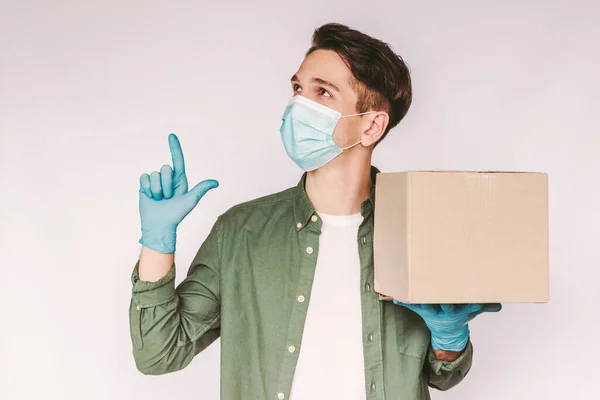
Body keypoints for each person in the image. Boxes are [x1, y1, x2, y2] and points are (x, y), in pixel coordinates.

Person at [129, 22, 501, 400]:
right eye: (297, 89)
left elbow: (443, 375)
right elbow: (158, 354)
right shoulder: (240, 233)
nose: (298, 105)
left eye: (322, 92)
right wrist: (157, 244)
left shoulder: (419, 228)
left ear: (371, 125)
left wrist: (450, 338)